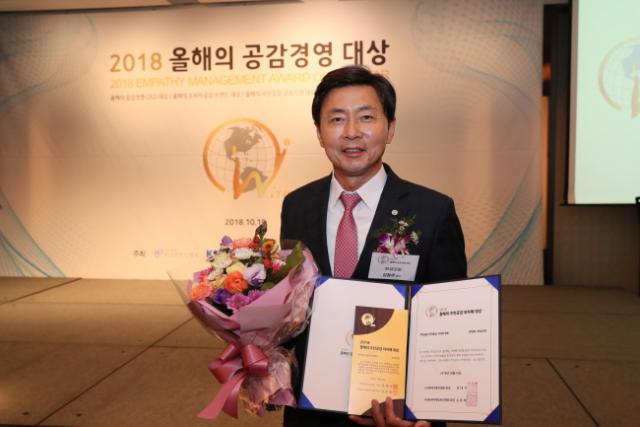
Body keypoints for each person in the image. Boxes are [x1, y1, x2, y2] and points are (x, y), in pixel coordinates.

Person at [280, 65, 467, 427]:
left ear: (390, 128)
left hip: (395, 413)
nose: (352, 132)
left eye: (366, 117)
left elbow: (449, 323)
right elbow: (291, 305)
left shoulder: (432, 211)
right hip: (311, 409)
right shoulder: (296, 205)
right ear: (319, 132)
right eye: (337, 119)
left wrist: (420, 410)